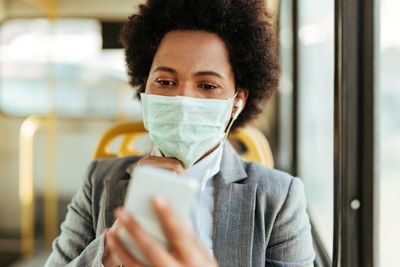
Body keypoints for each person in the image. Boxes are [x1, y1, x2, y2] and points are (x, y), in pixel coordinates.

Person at [45, 0, 315, 266]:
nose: (182, 98)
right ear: (145, 88)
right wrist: (115, 242)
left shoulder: (279, 197)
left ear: (237, 101)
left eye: (208, 86)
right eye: (165, 82)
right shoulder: (99, 181)